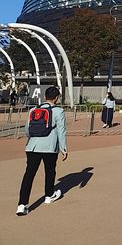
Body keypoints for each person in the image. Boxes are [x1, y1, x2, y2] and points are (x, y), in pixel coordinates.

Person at [16, 86, 68, 216]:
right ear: (56, 98)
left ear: (45, 96)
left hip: (32, 147)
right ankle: (48, 196)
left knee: (29, 174)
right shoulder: (58, 111)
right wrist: (63, 148)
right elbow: (61, 131)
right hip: (50, 147)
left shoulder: (34, 109)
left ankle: (22, 205)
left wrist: (31, 141)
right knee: (50, 171)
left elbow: (27, 129)